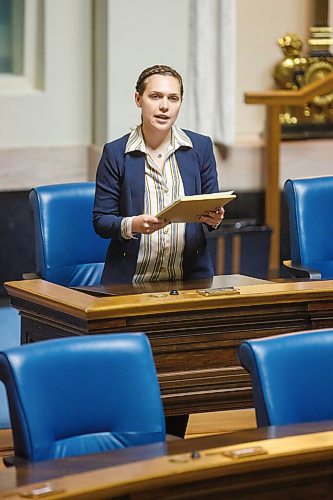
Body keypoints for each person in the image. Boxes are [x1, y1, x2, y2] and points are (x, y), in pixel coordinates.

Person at [93, 64, 225, 436]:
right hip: (131, 285)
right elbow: (101, 220)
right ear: (138, 100)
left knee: (180, 374)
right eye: (155, 96)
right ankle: (133, 443)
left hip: (187, 282)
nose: (164, 106)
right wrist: (132, 224)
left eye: (173, 98)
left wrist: (214, 217)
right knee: (132, 376)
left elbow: (210, 205)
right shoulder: (116, 153)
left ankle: (172, 442)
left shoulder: (199, 147)